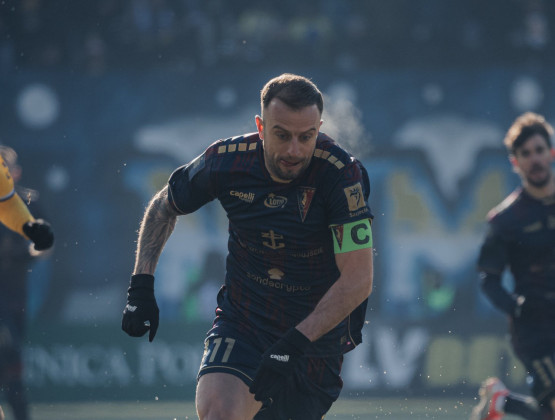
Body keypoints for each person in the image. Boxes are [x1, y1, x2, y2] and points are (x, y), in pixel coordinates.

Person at [121, 73, 374, 420]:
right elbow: (163, 207)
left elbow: (358, 279)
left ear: (319, 128)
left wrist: (294, 343)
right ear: (261, 126)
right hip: (245, 322)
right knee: (220, 412)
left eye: (306, 136)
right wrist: (140, 285)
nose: (294, 150)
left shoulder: (342, 175)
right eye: (282, 135)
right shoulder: (226, 161)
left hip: (314, 339)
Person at [470, 112, 555, 420]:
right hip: (536, 330)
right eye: (526, 154)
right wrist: (516, 307)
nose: (535, 159)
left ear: (551, 152)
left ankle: (502, 402)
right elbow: (488, 279)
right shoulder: (506, 220)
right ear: (515, 162)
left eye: (539, 150)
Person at [0, 146, 54, 420]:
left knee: (10, 353)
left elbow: (44, 244)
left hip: (12, 291)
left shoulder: (28, 201)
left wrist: (32, 237)